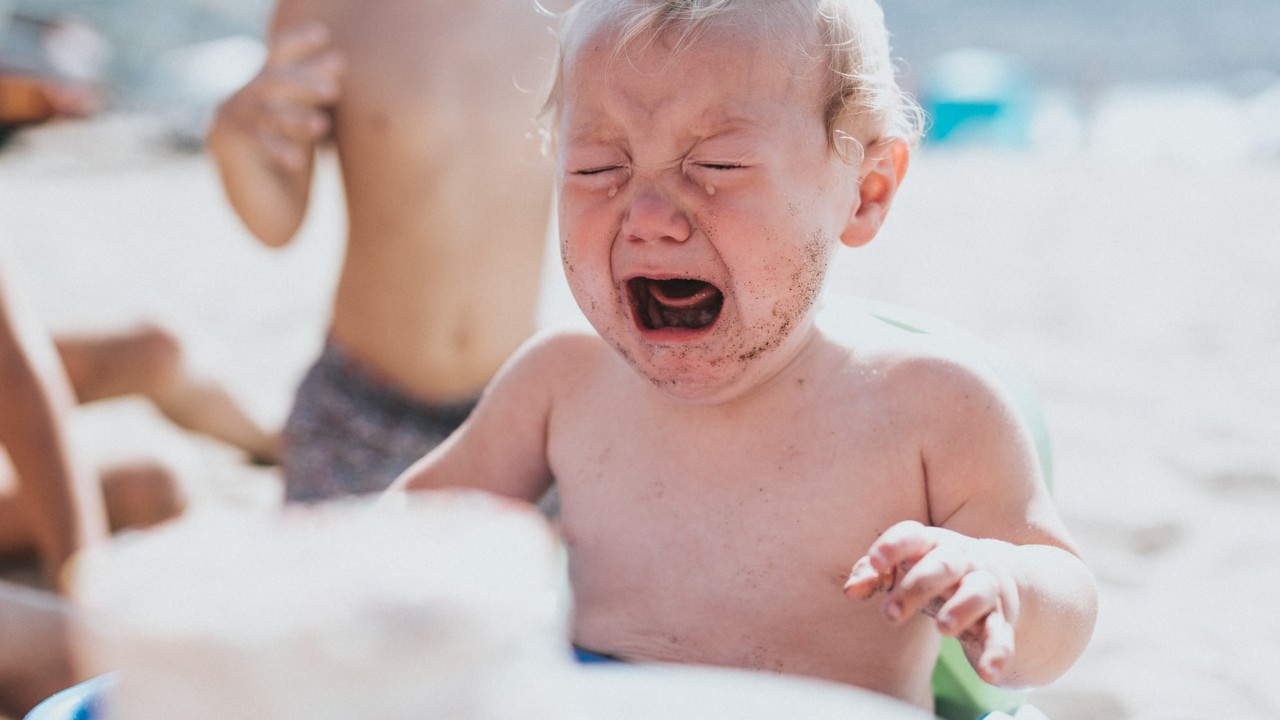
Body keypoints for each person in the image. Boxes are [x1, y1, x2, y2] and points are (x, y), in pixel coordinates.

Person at [390, 0, 1098, 714]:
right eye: (597, 167)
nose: (648, 217)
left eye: (717, 165)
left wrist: (1003, 583)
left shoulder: (929, 408)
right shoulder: (559, 384)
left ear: (866, 191)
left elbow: (1063, 602)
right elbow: (401, 533)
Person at [206, 0, 560, 502]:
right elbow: (277, 225)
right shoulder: (324, 10)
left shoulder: (570, 12)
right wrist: (233, 139)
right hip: (357, 412)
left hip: (515, 408)